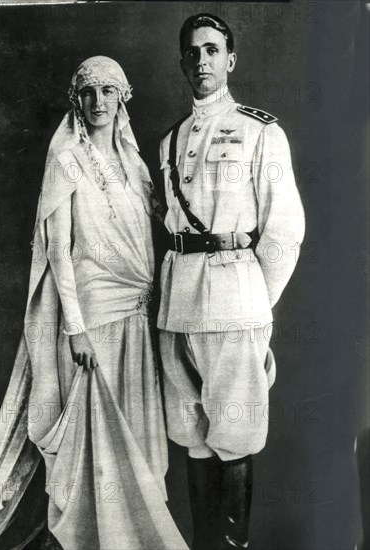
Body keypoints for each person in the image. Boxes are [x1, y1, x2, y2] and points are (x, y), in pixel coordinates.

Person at [0, 56, 187, 550]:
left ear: (122, 99)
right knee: (93, 434)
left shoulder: (135, 164)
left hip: (138, 314)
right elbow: (57, 251)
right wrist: (74, 327)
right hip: (94, 317)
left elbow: (159, 228)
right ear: (78, 100)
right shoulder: (66, 159)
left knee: (137, 431)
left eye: (109, 92)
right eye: (90, 93)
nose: (99, 103)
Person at [157, 14, 306, 550]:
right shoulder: (169, 141)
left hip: (234, 301)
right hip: (177, 305)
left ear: (230, 60)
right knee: (191, 438)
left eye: (213, 51)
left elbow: (285, 229)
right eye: (193, 53)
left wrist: (255, 307)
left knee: (235, 436)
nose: (202, 61)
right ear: (182, 62)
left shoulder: (260, 131)